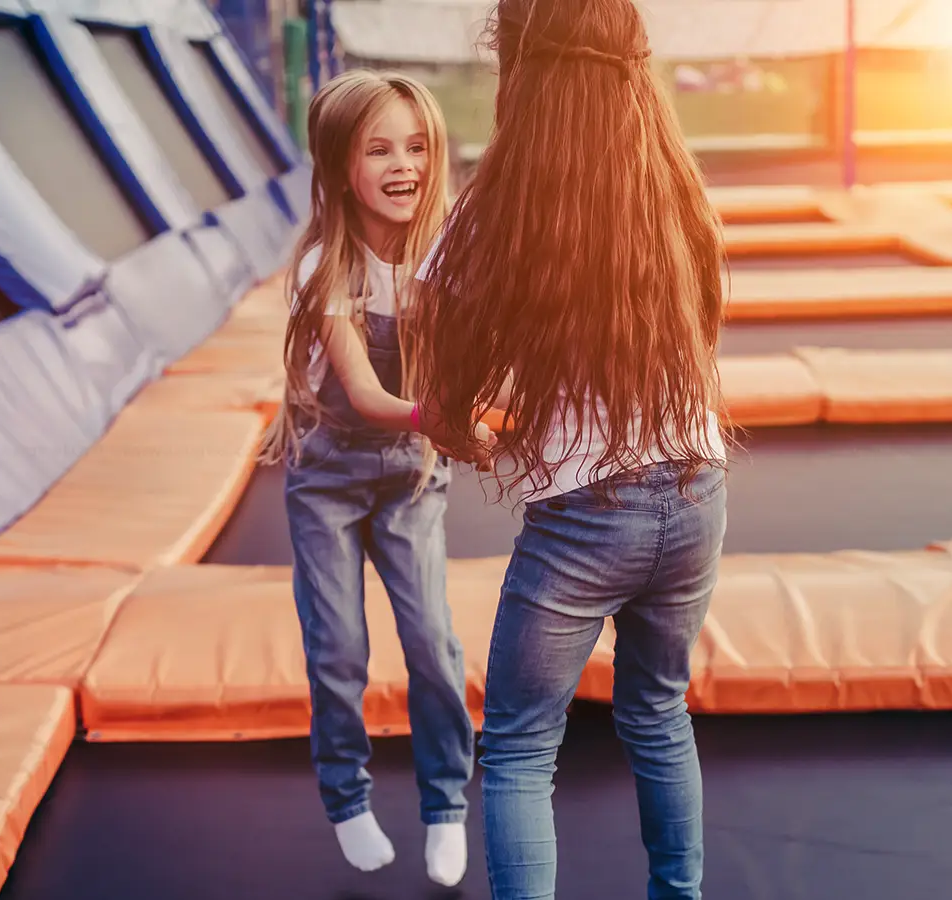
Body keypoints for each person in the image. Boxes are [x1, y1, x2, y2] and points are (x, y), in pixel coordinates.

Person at [407, 1, 732, 897]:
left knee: (518, 746)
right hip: (698, 491)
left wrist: (475, 427)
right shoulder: (675, 190)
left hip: (585, 519)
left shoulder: (495, 212)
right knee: (659, 712)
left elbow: (447, 405)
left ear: (517, 65)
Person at [256, 70, 494, 889]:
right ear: (338, 167)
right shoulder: (324, 265)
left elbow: (475, 362)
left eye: (417, 147)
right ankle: (347, 798)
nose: (404, 166)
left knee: (432, 642)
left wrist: (486, 407)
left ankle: (446, 803)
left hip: (409, 477)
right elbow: (363, 392)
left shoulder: (446, 256)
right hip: (328, 475)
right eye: (379, 150)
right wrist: (446, 423)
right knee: (338, 649)